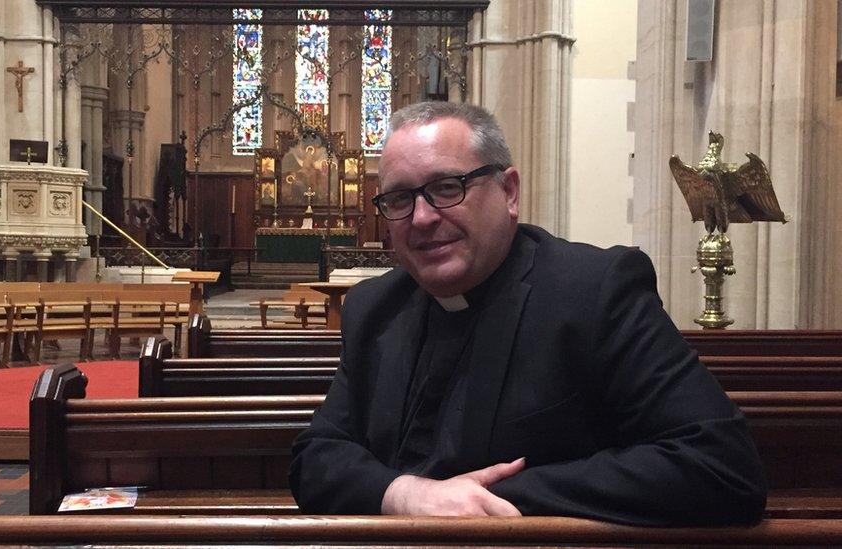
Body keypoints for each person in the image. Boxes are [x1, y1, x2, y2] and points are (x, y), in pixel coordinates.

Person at [289, 101, 766, 526]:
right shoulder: (375, 309)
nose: (421, 218)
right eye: (398, 199)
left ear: (509, 192)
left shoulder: (594, 291)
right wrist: (407, 495)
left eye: (447, 187)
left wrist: (488, 499)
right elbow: (316, 457)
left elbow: (719, 465)